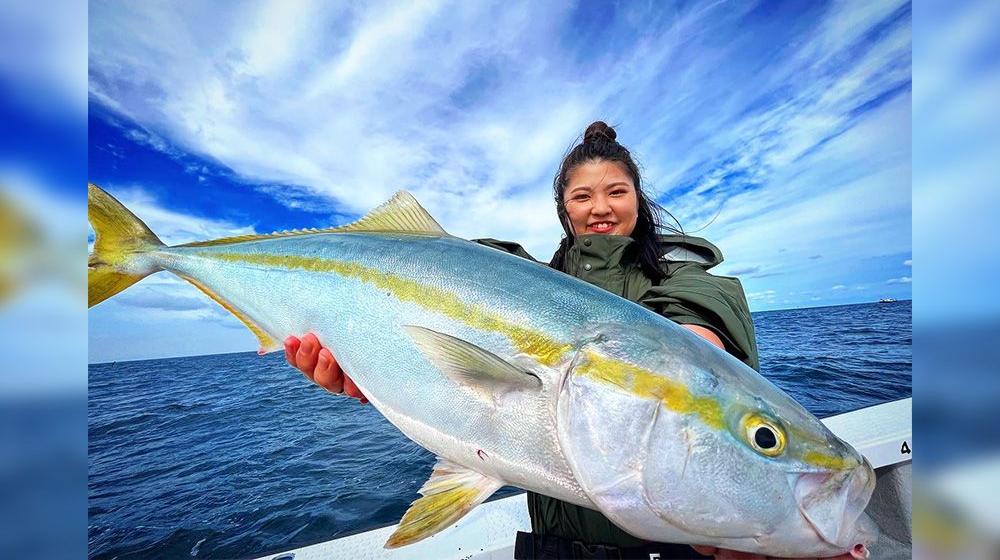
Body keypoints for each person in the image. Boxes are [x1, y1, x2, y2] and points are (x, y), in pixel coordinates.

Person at [284, 122, 844, 560]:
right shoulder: (519, 279)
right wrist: (371, 370)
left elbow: (695, 338)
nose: (600, 208)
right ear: (564, 209)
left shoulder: (687, 280)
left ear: (638, 200)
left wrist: (697, 356)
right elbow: (437, 335)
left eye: (616, 192)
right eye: (582, 197)